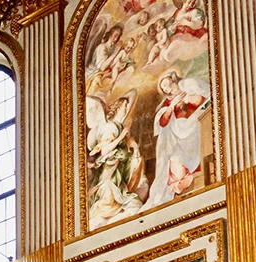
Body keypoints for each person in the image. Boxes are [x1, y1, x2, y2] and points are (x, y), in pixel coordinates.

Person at [141, 70, 211, 210]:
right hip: (176, 141)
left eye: (167, 84)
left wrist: (188, 100)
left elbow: (204, 99)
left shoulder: (188, 87)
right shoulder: (168, 105)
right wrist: (172, 107)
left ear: (173, 81)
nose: (166, 88)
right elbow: (162, 122)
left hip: (196, 128)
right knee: (176, 170)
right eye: (164, 88)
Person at [87, 94, 147, 228]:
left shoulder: (119, 126)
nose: (127, 109)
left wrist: (135, 148)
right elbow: (105, 150)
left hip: (119, 168)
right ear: (118, 108)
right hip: (111, 169)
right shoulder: (111, 127)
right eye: (125, 106)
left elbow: (128, 142)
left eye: (127, 107)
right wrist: (120, 137)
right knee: (110, 202)